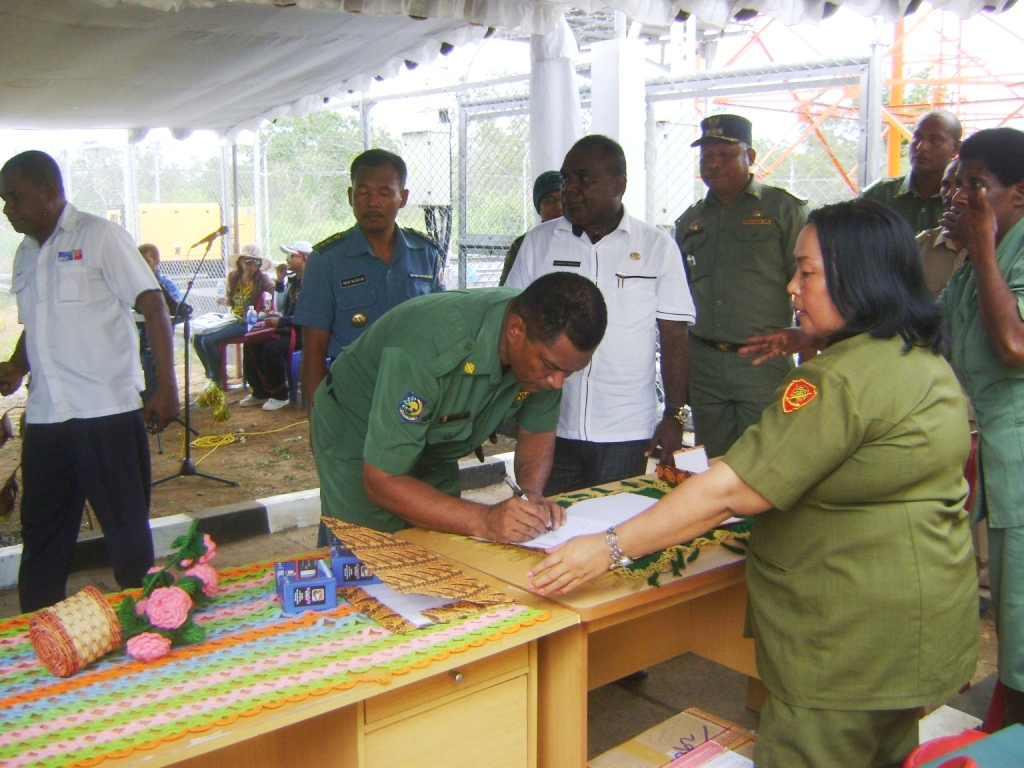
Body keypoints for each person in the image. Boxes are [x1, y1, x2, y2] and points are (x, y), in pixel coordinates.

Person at [527, 199, 977, 768]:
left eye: (807, 272)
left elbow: (730, 491)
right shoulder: (917, 357)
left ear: (857, 279)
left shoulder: (836, 381)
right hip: (914, 629)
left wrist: (608, 547)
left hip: (847, 644)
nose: (792, 287)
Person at [0, 150, 180, 612]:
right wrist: (18, 366)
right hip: (45, 420)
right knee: (42, 536)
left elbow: (152, 304)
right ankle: (41, 631)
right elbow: (38, 321)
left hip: (106, 413)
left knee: (127, 537)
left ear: (50, 192)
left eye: (15, 198)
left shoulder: (101, 236)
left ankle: (150, 632)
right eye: (4, 201)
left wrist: (165, 387)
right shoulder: (24, 254)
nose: (7, 210)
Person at [311, 271, 606, 543]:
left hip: (435, 444)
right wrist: (486, 520)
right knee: (366, 554)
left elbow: (537, 432)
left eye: (569, 373)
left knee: (440, 549)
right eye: (551, 367)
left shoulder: (547, 354)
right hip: (358, 435)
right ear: (516, 330)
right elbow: (381, 482)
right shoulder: (429, 347)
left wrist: (531, 496)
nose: (557, 382)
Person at [506, 135, 695, 495]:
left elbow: (674, 336)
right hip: (548, 420)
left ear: (618, 184)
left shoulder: (656, 247)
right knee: (547, 524)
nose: (570, 190)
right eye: (566, 180)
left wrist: (674, 414)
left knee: (614, 531)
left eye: (583, 179)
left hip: (625, 428)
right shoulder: (539, 242)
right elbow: (511, 320)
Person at [941, 126, 1024, 728]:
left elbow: (1015, 346)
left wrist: (986, 249)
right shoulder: (975, 264)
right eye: (960, 183)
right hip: (992, 447)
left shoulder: (1000, 254)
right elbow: (927, 332)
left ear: (1018, 195)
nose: (963, 198)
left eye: (979, 187)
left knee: (1020, 607)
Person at [675, 114, 808, 458]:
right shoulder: (690, 221)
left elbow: (808, 285)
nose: (714, 164)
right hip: (704, 363)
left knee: (768, 460)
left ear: (749, 157)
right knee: (713, 461)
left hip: (763, 363)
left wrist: (808, 353)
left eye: (725, 154)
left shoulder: (783, 210)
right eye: (707, 157)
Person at [293, 149, 444, 408]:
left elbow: (441, 334)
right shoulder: (327, 259)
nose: (372, 202)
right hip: (353, 399)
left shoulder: (425, 254)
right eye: (363, 192)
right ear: (351, 197)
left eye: (384, 193)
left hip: (416, 397)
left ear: (403, 198)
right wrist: (318, 423)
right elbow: (314, 350)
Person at [861, 109, 962, 233]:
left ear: (956, 148)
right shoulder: (877, 196)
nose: (921, 146)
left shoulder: (961, 202)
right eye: (917, 137)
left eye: (934, 140)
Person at [192, 245, 274, 389]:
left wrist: (269, 306)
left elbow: (276, 291)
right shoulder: (233, 277)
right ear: (241, 261)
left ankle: (217, 380)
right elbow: (232, 301)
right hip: (232, 318)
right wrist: (224, 301)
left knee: (208, 340)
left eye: (257, 263)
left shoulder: (262, 279)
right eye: (249, 261)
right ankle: (212, 374)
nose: (252, 266)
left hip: (248, 321)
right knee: (197, 337)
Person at [240, 243, 307, 410]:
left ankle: (280, 394)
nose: (287, 259)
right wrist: (280, 281)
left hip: (306, 332)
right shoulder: (294, 281)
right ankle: (260, 392)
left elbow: (309, 316)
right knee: (251, 342)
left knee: (272, 348)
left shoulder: (313, 283)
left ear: (304, 259)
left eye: (291, 256)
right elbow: (280, 308)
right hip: (289, 327)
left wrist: (282, 322)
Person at [137, 243, 186, 400]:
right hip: (137, 331)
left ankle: (158, 397)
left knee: (149, 356)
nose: (143, 266)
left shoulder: (167, 284)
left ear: (157, 261)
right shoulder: (133, 284)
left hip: (158, 335)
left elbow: (175, 310)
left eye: (147, 261)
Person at [498, 170, 563, 286]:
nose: (558, 206)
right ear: (539, 207)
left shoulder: (584, 236)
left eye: (563, 199)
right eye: (550, 200)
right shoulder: (525, 243)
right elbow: (507, 293)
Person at [916, 159, 968, 299]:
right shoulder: (919, 247)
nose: (951, 195)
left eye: (959, 186)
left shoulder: (1003, 248)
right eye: (945, 185)